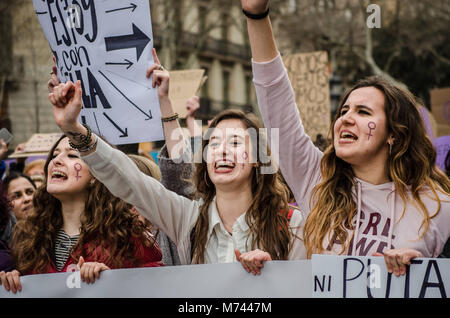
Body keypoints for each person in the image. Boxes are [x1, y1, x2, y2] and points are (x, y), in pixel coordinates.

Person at [241, 0, 450, 276]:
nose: (346, 119)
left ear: (395, 134)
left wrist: (423, 266)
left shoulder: (438, 207)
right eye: (344, 111)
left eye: (363, 112)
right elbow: (276, 102)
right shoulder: (316, 180)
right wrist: (256, 15)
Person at [47, 59, 306, 275]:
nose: (222, 150)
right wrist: (74, 129)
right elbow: (128, 179)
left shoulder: (291, 224)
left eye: (236, 142)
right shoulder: (187, 219)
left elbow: (302, 289)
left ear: (258, 158)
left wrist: (274, 276)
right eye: (213, 143)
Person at [0, 135, 163, 293]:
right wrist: (16, 280)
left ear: (96, 174)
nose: (56, 160)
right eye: (55, 155)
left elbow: (157, 281)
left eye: (72, 155)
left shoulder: (125, 233)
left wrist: (113, 280)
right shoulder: (29, 236)